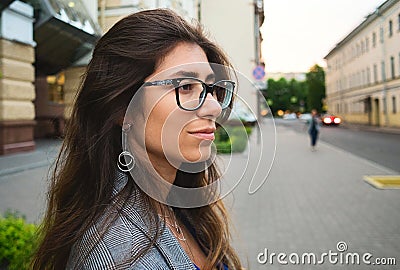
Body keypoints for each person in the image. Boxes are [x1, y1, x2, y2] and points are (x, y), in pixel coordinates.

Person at [32, 9, 242, 270]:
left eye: (212, 89)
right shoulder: (117, 256)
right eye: (185, 86)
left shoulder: (178, 204)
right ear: (122, 108)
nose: (213, 107)